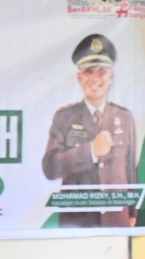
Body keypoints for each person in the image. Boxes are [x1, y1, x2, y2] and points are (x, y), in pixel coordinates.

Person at [42, 33, 138, 228]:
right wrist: (91, 150)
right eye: (88, 71)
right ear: (80, 77)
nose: (95, 78)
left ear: (111, 76)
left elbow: (129, 171)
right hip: (77, 221)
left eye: (102, 71)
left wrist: (132, 212)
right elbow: (50, 168)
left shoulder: (124, 117)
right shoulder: (64, 117)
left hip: (116, 220)